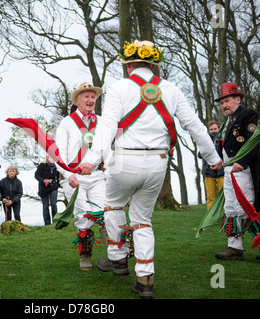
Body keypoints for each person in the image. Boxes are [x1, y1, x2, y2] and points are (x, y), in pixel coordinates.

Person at [79, 40, 222, 298]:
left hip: (123, 160)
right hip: (158, 162)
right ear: (153, 63)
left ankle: (118, 258)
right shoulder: (171, 89)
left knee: (112, 205)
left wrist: (92, 157)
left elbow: (107, 126)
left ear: (129, 64)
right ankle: (145, 281)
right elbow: (195, 126)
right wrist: (212, 157)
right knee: (143, 220)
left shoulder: (120, 87)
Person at [214, 82, 260, 261]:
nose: (224, 105)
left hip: (243, 169)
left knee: (246, 207)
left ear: (238, 99)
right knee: (230, 208)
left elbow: (254, 140)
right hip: (229, 170)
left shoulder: (248, 115)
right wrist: (218, 161)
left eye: (227, 101)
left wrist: (241, 161)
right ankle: (234, 247)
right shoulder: (227, 121)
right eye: (222, 102)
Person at [55, 81, 107, 271]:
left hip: (97, 176)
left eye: (93, 97)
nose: (91, 100)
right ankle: (85, 255)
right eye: (86, 96)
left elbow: (106, 148)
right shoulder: (67, 122)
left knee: (104, 212)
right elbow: (59, 154)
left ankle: (114, 253)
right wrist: (67, 174)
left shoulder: (101, 122)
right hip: (73, 177)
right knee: (83, 216)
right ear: (77, 100)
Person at [198, 121, 224, 210]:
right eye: (211, 129)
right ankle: (211, 216)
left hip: (222, 172)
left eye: (215, 129)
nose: (213, 131)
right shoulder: (206, 140)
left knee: (224, 195)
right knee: (210, 197)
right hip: (209, 172)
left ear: (219, 128)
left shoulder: (224, 139)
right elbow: (199, 155)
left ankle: (225, 216)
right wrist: (209, 148)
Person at [35, 156, 60, 225]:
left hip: (53, 187)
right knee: (45, 206)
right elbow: (36, 175)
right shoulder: (42, 165)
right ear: (47, 158)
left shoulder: (57, 167)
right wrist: (43, 180)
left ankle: (55, 222)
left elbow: (59, 176)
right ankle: (47, 223)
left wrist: (57, 184)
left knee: (53, 204)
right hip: (43, 188)